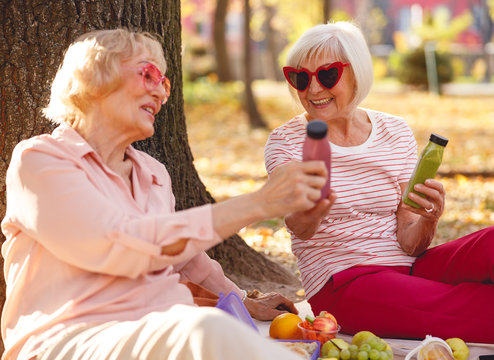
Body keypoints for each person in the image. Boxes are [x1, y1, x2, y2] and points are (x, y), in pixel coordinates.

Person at [1, 29, 330, 360]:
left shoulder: (154, 174)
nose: (160, 92)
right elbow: (116, 244)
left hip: (165, 327)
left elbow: (186, 259)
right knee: (206, 330)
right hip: (73, 339)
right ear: (94, 77)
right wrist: (258, 203)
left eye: (165, 83)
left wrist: (243, 300)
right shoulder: (40, 161)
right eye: (149, 75)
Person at [264, 21, 494, 347]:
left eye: (327, 75)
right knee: (472, 304)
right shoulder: (286, 142)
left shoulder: (394, 131)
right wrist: (314, 202)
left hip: (412, 268)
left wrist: (428, 219)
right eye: (300, 77)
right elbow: (299, 227)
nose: (312, 90)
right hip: (346, 285)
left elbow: (411, 243)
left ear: (358, 73)